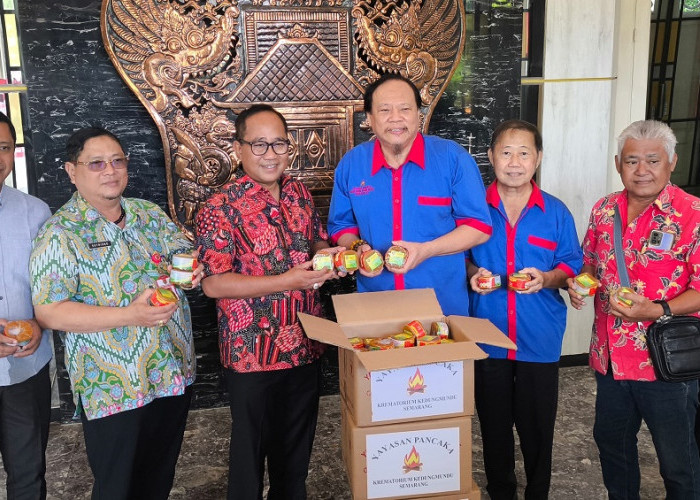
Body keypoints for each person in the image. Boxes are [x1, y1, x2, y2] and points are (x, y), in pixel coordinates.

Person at [29, 126, 202, 500]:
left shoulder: (148, 213)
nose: (110, 170)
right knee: (117, 487)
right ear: (71, 171)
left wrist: (191, 270)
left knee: (158, 478)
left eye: (117, 160)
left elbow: (179, 259)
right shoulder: (60, 233)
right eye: (96, 163)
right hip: (114, 387)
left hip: (171, 372)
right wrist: (129, 315)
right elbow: (50, 312)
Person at [195, 104, 337, 500]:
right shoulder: (218, 208)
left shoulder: (298, 192)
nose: (270, 154)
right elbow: (213, 284)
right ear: (238, 149)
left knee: (296, 457)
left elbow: (318, 240)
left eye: (278, 143)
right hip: (252, 353)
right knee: (249, 456)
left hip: (306, 343)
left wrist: (327, 260)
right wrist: (286, 280)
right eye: (259, 145)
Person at [568, 120, 700, 499]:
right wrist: (582, 284)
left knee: (678, 460)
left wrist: (656, 309)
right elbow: (591, 262)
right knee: (612, 446)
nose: (641, 170)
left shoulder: (692, 215)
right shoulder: (605, 209)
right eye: (631, 161)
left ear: (672, 162)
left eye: (652, 160)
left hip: (666, 362)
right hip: (610, 358)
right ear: (617, 163)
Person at [466, 120, 582, 500]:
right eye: (505, 152)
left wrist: (546, 278)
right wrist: (472, 273)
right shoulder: (471, 207)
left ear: (538, 159)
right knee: (494, 428)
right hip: (487, 336)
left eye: (524, 153)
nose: (514, 162)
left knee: (537, 429)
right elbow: (457, 257)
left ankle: (538, 493)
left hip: (539, 337)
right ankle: (502, 493)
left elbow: (570, 263)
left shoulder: (556, 212)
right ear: (490, 157)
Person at [327, 73, 492, 316]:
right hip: (376, 306)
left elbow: (479, 227)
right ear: (370, 119)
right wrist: (358, 247)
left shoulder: (452, 159)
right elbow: (341, 225)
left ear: (418, 115)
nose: (396, 118)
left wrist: (427, 250)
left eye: (405, 108)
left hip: (444, 307)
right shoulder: (352, 164)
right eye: (384, 110)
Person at [0, 111, 52, 499]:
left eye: (4, 147)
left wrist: (41, 322)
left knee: (28, 473)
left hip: (25, 366)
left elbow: (54, 284)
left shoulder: (36, 211)